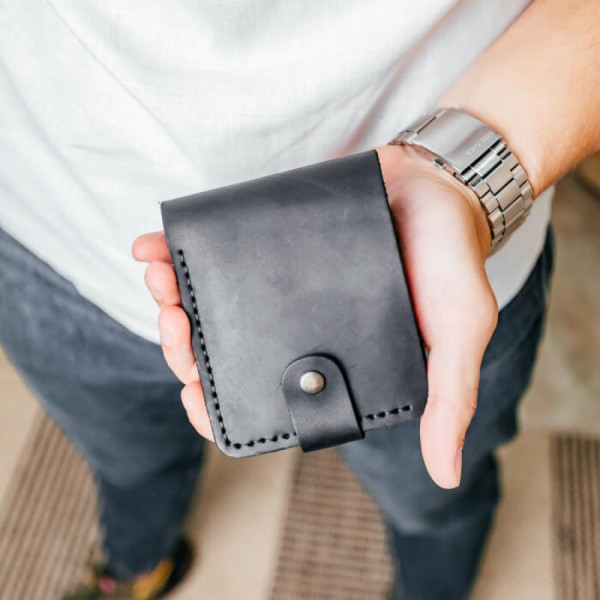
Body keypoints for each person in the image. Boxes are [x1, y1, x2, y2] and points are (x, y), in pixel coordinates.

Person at [0, 1, 598, 599]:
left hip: (426, 262)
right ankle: (138, 568)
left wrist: (463, 177)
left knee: (434, 505)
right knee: (128, 469)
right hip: (52, 233)